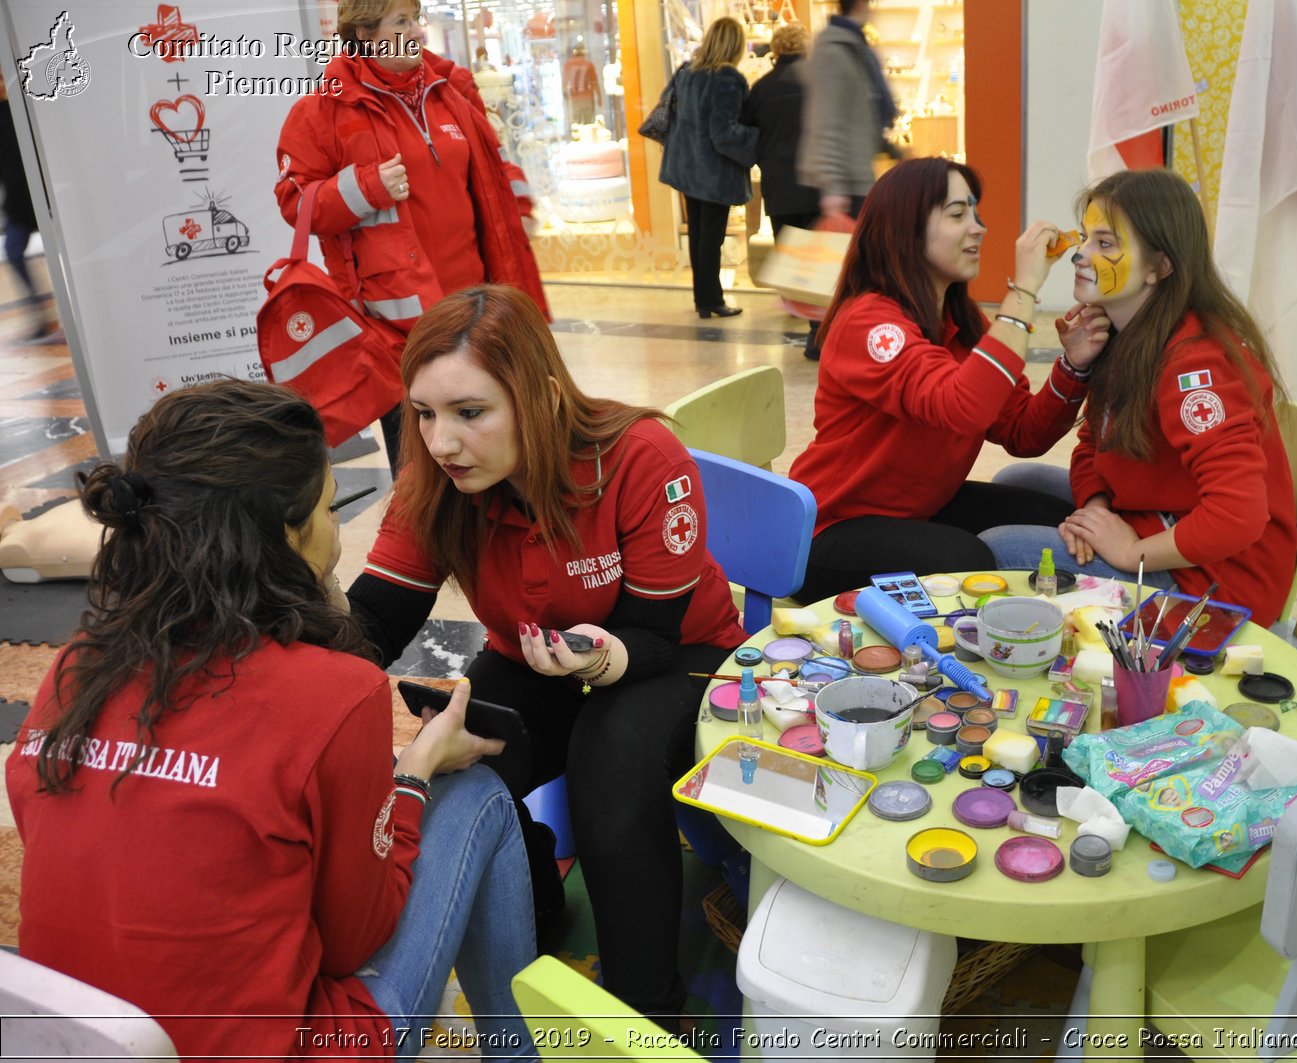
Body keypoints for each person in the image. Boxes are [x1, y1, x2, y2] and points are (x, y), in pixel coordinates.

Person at [4, 380, 535, 1061]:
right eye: (329, 506)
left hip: (77, 1042)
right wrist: (416, 772)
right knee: (480, 797)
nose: (337, 525)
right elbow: (355, 937)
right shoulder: (336, 691)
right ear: (289, 535)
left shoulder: (76, 666)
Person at [342, 284, 747, 1020]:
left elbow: (654, 634)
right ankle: (535, 905)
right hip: (539, 657)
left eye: (470, 412)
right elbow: (374, 614)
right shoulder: (435, 479)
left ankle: (646, 1015)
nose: (440, 441)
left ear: (543, 396)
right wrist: (272, 672)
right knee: (467, 760)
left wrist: (594, 659)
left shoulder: (640, 456)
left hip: (680, 651)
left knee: (610, 756)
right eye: (424, 413)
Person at [980, 168, 1297, 625]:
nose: (1079, 255)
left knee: (998, 547)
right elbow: (1094, 442)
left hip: (1213, 587)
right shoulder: (1127, 332)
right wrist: (1095, 510)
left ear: (1160, 267)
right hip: (1154, 517)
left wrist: (1130, 552)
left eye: (1105, 244)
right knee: (1016, 480)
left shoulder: (1195, 365)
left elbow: (1239, 515)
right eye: (1086, 239)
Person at [786, 157, 1100, 602]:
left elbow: (1022, 432)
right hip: (831, 533)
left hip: (919, 508)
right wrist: (1024, 291)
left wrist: (1074, 366)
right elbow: (960, 407)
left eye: (975, 212)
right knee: (967, 559)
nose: (978, 228)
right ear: (905, 230)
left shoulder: (960, 318)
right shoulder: (871, 323)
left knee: (1059, 518)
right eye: (957, 214)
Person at [275, 0, 547, 475]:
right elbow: (296, 201)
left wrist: (518, 205)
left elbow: (494, 158)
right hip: (399, 333)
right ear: (363, 34)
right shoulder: (322, 110)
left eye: (416, 19)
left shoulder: (452, 89)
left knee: (501, 452)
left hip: (480, 312)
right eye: (402, 22)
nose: (418, 32)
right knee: (426, 474)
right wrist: (366, 187)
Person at [659, 17, 759, 318]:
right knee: (711, 238)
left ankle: (703, 299)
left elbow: (670, 112)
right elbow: (724, 132)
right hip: (714, 172)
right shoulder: (726, 79)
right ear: (735, 45)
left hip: (687, 166)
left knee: (699, 235)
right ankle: (712, 299)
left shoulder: (687, 72)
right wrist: (758, 139)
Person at [741, 23, 825, 358]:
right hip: (817, 185)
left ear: (776, 50)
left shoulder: (760, 88)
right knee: (819, 259)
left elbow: (747, 132)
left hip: (779, 187)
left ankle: (802, 313)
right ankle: (818, 333)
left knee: (791, 253)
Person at [798, 0, 897, 223]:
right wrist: (833, 188)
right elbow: (826, 122)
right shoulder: (834, 51)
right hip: (843, 189)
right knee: (845, 255)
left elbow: (862, 115)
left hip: (856, 179)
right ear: (861, 4)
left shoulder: (855, 47)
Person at [0, 78, 56, 341]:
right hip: (18, 201)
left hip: (44, 195)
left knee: (63, 252)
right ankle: (39, 314)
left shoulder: (24, 109)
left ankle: (74, 311)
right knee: (13, 251)